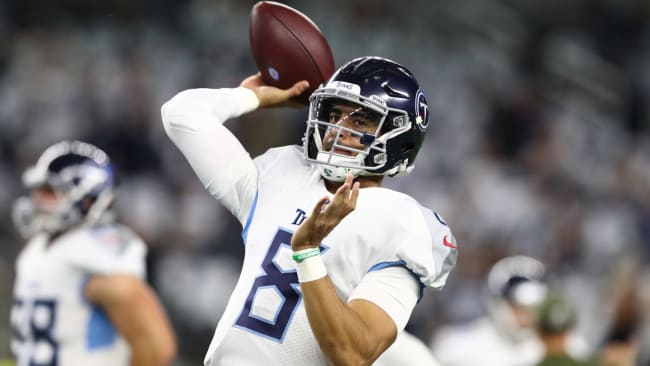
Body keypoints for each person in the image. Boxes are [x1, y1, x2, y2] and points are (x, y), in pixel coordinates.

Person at [161, 56, 458, 366]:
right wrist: (253, 97)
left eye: (359, 121)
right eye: (335, 115)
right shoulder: (283, 172)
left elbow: (354, 354)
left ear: (401, 139)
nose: (337, 130)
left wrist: (307, 253)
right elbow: (182, 115)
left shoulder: (405, 225)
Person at [10, 141, 177, 366]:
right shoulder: (38, 249)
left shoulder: (94, 253)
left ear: (86, 198)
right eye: (37, 191)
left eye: (49, 191)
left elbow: (157, 346)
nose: (37, 200)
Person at [431, 255, 548, 366]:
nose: (527, 317)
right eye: (518, 307)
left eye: (533, 308)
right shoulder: (456, 345)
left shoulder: (551, 346)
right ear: (497, 304)